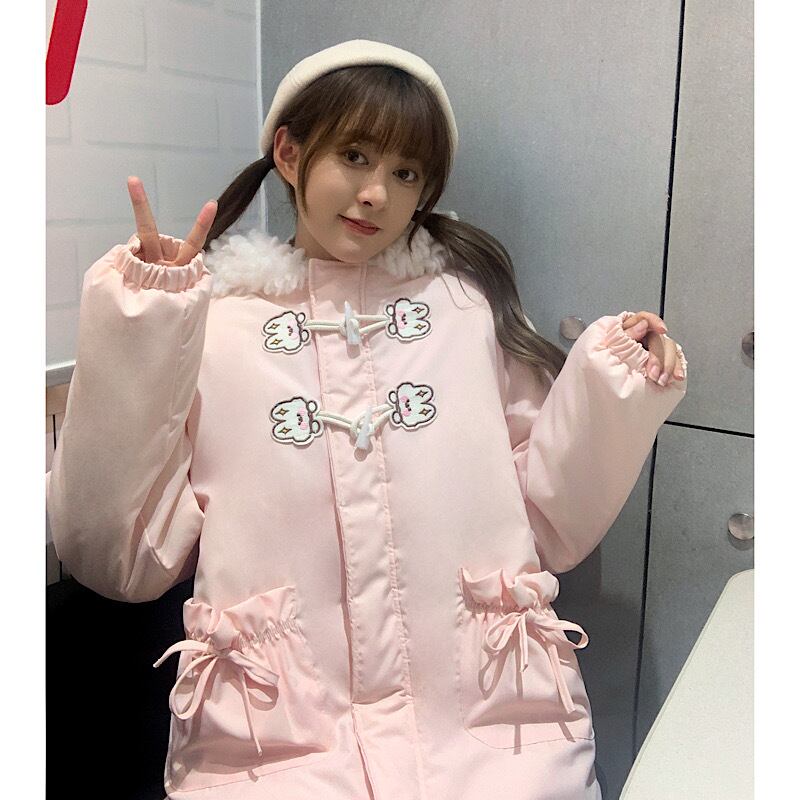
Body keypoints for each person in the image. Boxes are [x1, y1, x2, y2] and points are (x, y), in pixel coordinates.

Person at [46, 38, 687, 800]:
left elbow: (549, 518)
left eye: (406, 172)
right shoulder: (217, 324)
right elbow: (120, 555)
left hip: (495, 735)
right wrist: (143, 328)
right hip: (271, 749)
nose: (377, 192)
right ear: (290, 153)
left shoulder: (462, 310)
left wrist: (616, 382)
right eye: (354, 156)